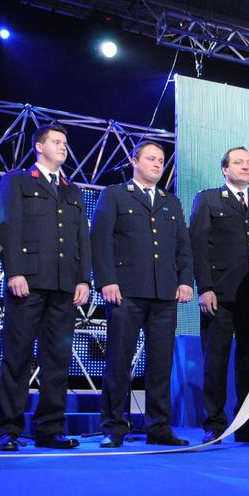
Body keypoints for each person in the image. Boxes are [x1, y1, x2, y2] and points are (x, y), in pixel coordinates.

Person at [0, 122, 90, 451]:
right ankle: (8, 428)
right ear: (39, 146)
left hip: (64, 285)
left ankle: (50, 428)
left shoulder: (72, 189)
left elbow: (82, 238)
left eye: (65, 142)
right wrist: (14, 271)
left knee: (57, 359)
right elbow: (7, 226)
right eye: (56, 141)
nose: (63, 147)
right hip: (29, 281)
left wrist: (83, 278)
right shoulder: (18, 180)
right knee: (17, 356)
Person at [92, 141, 194, 447]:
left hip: (164, 293)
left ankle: (158, 427)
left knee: (161, 364)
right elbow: (100, 241)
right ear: (134, 162)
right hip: (126, 291)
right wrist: (107, 280)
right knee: (119, 361)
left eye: (161, 160)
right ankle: (114, 427)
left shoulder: (170, 201)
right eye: (151, 158)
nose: (157, 164)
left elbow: (183, 246)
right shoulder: (115, 195)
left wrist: (185, 280)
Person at [189, 147, 249, 444]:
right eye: (238, 162)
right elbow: (198, 246)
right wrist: (204, 287)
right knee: (216, 362)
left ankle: (247, 425)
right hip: (219, 295)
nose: (245, 167)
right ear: (225, 169)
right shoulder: (208, 199)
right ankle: (215, 423)